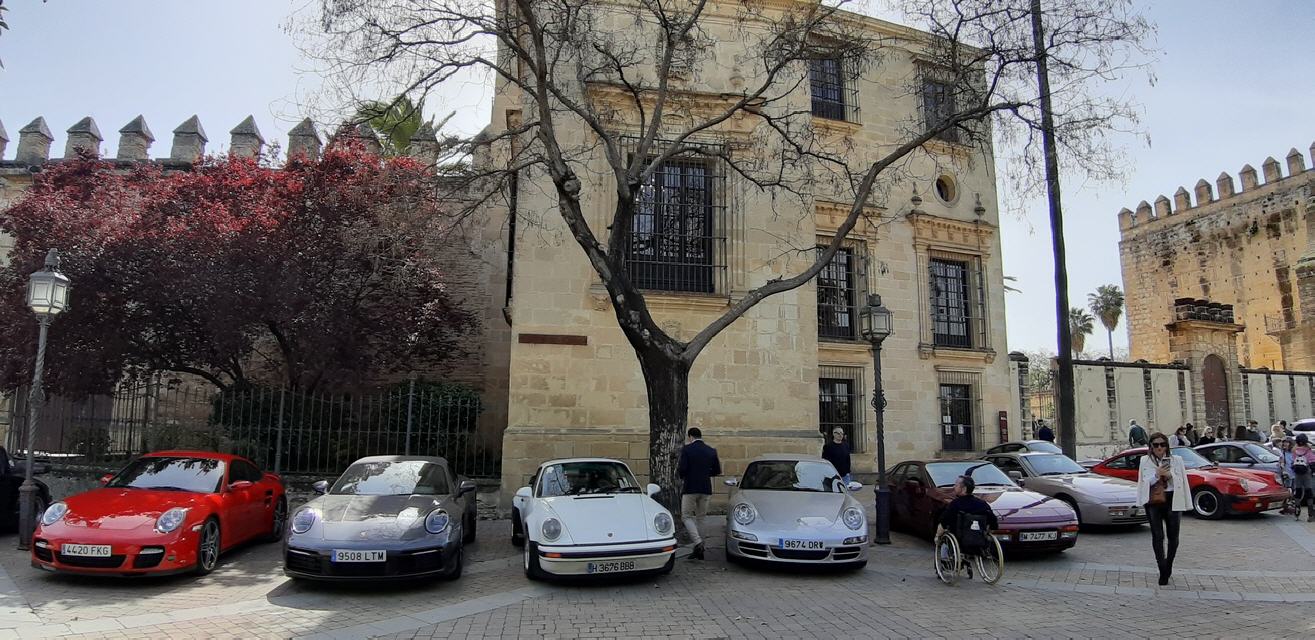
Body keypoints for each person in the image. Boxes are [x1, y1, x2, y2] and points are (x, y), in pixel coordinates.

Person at [1138, 432, 1190, 586]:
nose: (1159, 448)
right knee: (1157, 535)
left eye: (1162, 444)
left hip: (1172, 498)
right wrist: (1156, 475)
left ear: (1167, 446)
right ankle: (1162, 569)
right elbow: (1143, 481)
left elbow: (1181, 480)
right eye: (1156, 445)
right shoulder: (1145, 461)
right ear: (1151, 447)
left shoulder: (1177, 460)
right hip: (1154, 501)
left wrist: (1169, 475)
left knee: (1173, 536)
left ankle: (1169, 564)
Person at [935, 475, 999, 579]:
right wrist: (986, 532)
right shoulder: (982, 504)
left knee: (942, 540)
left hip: (959, 540)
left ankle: (945, 564)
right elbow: (994, 523)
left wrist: (937, 536)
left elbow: (943, 522)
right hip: (979, 541)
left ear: (963, 489)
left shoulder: (955, 504)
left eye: (956, 485)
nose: (954, 487)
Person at [677, 427, 721, 560]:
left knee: (686, 516)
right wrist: (705, 474)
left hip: (690, 487)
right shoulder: (711, 451)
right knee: (701, 518)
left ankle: (697, 542)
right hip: (705, 488)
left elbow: (682, 469)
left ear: (690, 436)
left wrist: (685, 475)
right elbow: (717, 470)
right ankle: (700, 549)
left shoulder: (687, 449)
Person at [1291, 434, 1314, 522]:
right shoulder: (1308, 450)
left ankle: (1297, 511)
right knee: (1309, 493)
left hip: (1297, 473)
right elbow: (1312, 461)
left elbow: (1292, 462)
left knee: (1298, 491)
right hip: (1306, 473)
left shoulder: (1294, 450)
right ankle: (1310, 515)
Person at [1278, 438, 1296, 515]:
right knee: (1288, 490)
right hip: (1287, 474)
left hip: (1294, 474)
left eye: (1287, 443)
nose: (1285, 444)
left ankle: (1291, 506)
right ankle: (1286, 507)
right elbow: (1281, 462)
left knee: (1293, 490)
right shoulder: (1283, 453)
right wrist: (1283, 470)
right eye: (1284, 442)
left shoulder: (1294, 453)